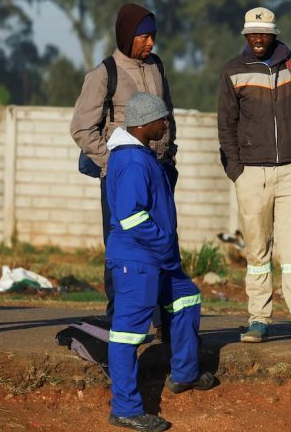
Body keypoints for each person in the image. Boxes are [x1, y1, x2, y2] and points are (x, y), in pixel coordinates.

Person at [104, 93, 214, 431]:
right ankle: (125, 408)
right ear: (142, 124)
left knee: (186, 298)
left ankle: (184, 373)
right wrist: (164, 242)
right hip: (138, 259)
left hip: (158, 259)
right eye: (161, 119)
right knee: (127, 334)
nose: (166, 124)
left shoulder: (141, 156)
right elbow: (130, 217)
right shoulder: (134, 161)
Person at [216, 7, 291, 349]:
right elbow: (225, 125)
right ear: (245, 36)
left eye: (263, 34)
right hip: (251, 174)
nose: (258, 39)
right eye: (252, 34)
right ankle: (258, 320)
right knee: (257, 252)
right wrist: (236, 169)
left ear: (274, 34)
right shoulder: (234, 71)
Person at [71, 3, 177, 332]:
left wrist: (170, 158)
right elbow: (82, 128)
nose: (150, 44)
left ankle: (163, 325)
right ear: (127, 35)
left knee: (163, 244)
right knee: (123, 250)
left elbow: (168, 116)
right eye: (144, 37)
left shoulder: (157, 67)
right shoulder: (104, 73)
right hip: (122, 180)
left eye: (153, 37)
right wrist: (112, 164)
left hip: (158, 173)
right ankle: (120, 323)